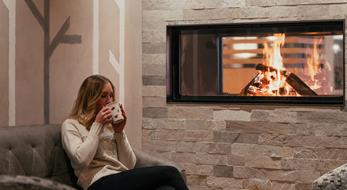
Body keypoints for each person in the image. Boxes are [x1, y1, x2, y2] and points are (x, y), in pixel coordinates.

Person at [61, 75, 189, 190]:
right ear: (90, 98)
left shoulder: (110, 126)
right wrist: (97, 125)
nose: (110, 101)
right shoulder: (71, 125)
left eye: (111, 95)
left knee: (166, 188)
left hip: (119, 177)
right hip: (97, 183)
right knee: (170, 172)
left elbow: (129, 164)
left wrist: (119, 132)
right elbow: (81, 160)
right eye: (104, 96)